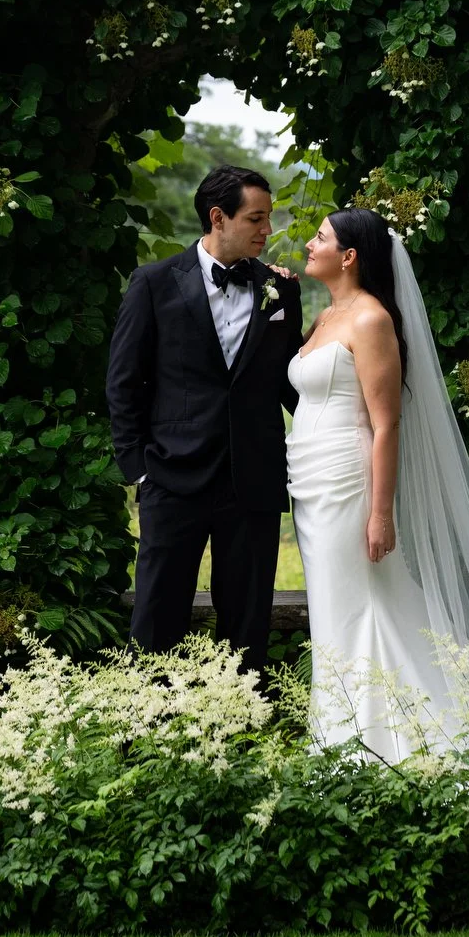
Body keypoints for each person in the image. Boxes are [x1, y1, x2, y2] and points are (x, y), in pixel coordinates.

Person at [287, 206, 469, 761]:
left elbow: (386, 423)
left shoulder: (371, 319)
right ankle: (346, 729)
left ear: (349, 256)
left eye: (321, 237)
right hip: (310, 483)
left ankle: (377, 739)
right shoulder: (327, 315)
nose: (309, 243)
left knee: (360, 604)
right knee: (338, 605)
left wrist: (381, 514)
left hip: (349, 482)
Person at [106, 164, 302, 674]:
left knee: (247, 622)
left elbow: (288, 381)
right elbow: (124, 383)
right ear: (218, 217)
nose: (267, 230)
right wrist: (139, 470)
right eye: (256, 219)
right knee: (157, 617)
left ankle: (244, 736)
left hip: (253, 480)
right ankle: (146, 734)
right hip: (172, 478)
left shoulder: (281, 291)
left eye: (269, 218)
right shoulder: (152, 284)